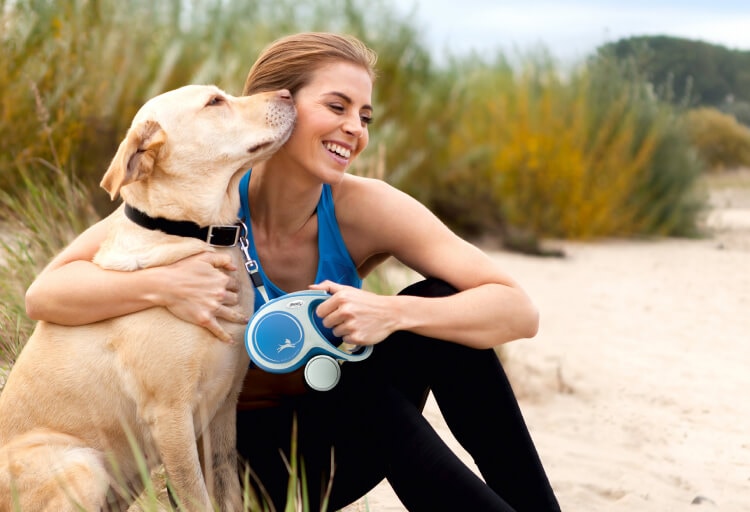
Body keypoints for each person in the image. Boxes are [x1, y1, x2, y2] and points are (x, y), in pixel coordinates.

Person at [25, 32, 561, 512]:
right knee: (362, 389)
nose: (354, 129)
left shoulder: (364, 207)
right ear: (281, 103)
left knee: (431, 311)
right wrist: (161, 284)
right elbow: (46, 294)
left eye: (365, 116)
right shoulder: (195, 209)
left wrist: (392, 311)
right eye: (337, 106)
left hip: (342, 441)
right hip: (245, 467)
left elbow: (518, 311)